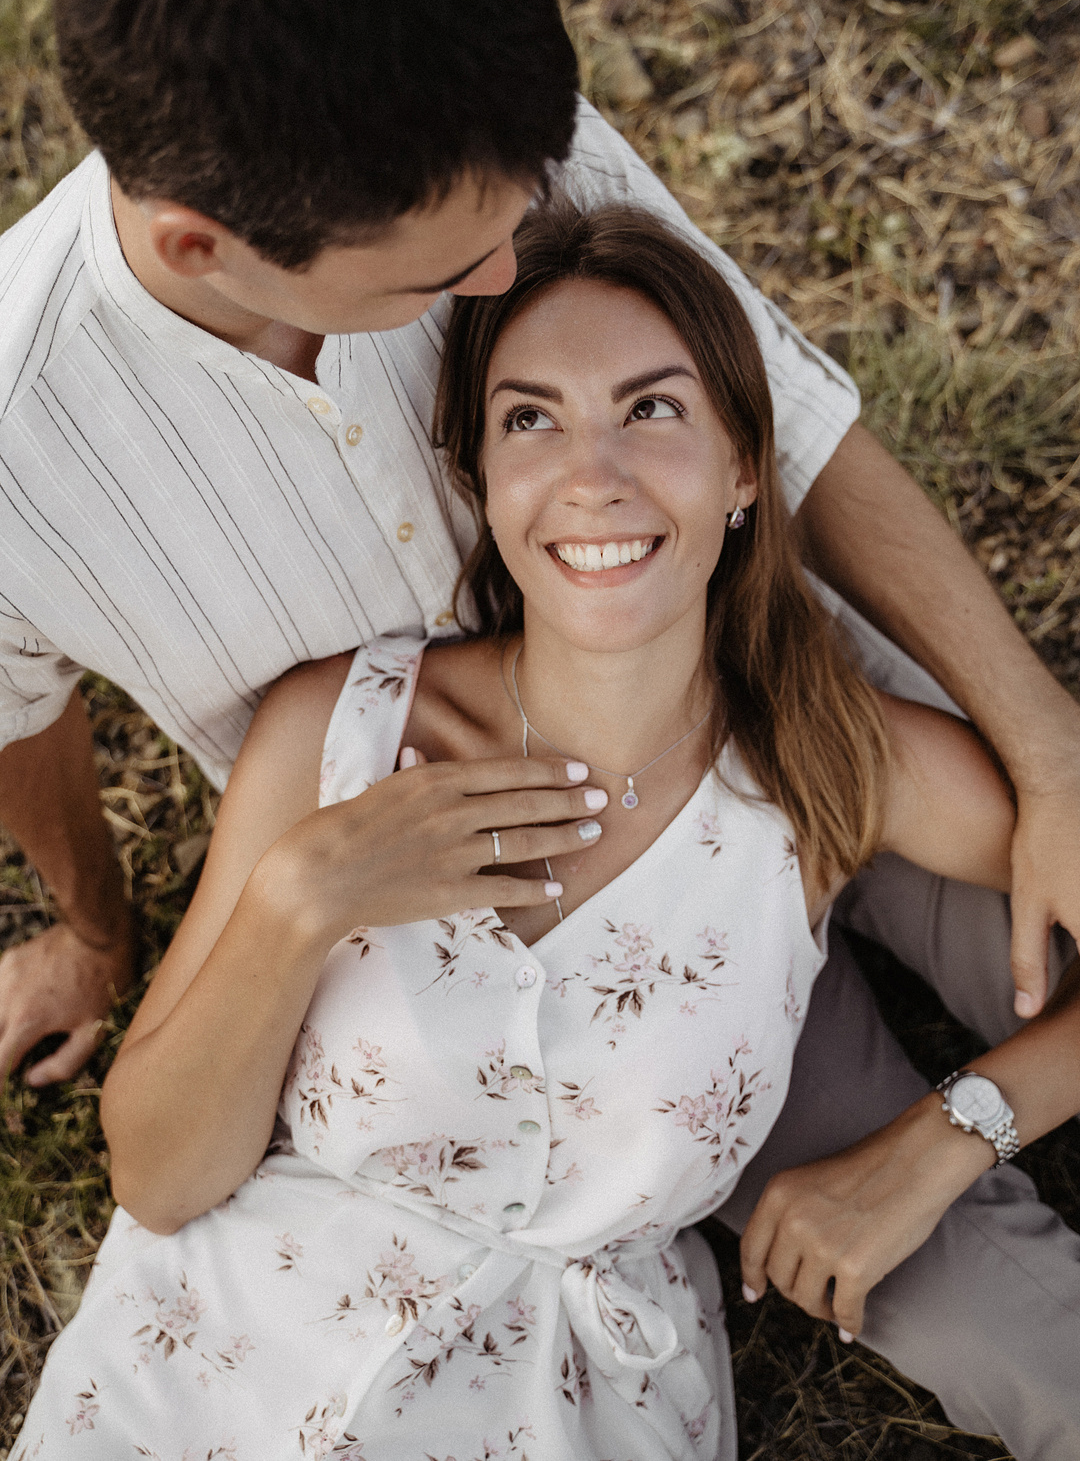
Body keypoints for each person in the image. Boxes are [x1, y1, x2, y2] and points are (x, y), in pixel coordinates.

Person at [1, 0, 1079, 1101]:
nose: (505, 276)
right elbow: (18, 715)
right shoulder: (20, 449)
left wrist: (1049, 753)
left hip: (797, 693)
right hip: (531, 956)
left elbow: (790, 423)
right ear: (204, 244)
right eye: (440, 276)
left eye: (514, 218)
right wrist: (94, 930)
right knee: (951, 1287)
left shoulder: (477, 128)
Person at [15, 201, 1080, 1460]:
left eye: (653, 409)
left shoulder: (834, 758)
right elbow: (160, 1177)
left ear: (747, 467)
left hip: (561, 1409)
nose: (593, 477)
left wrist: (955, 1135)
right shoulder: (340, 726)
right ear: (477, 472)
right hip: (208, 1372)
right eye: (533, 418)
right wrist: (298, 904)